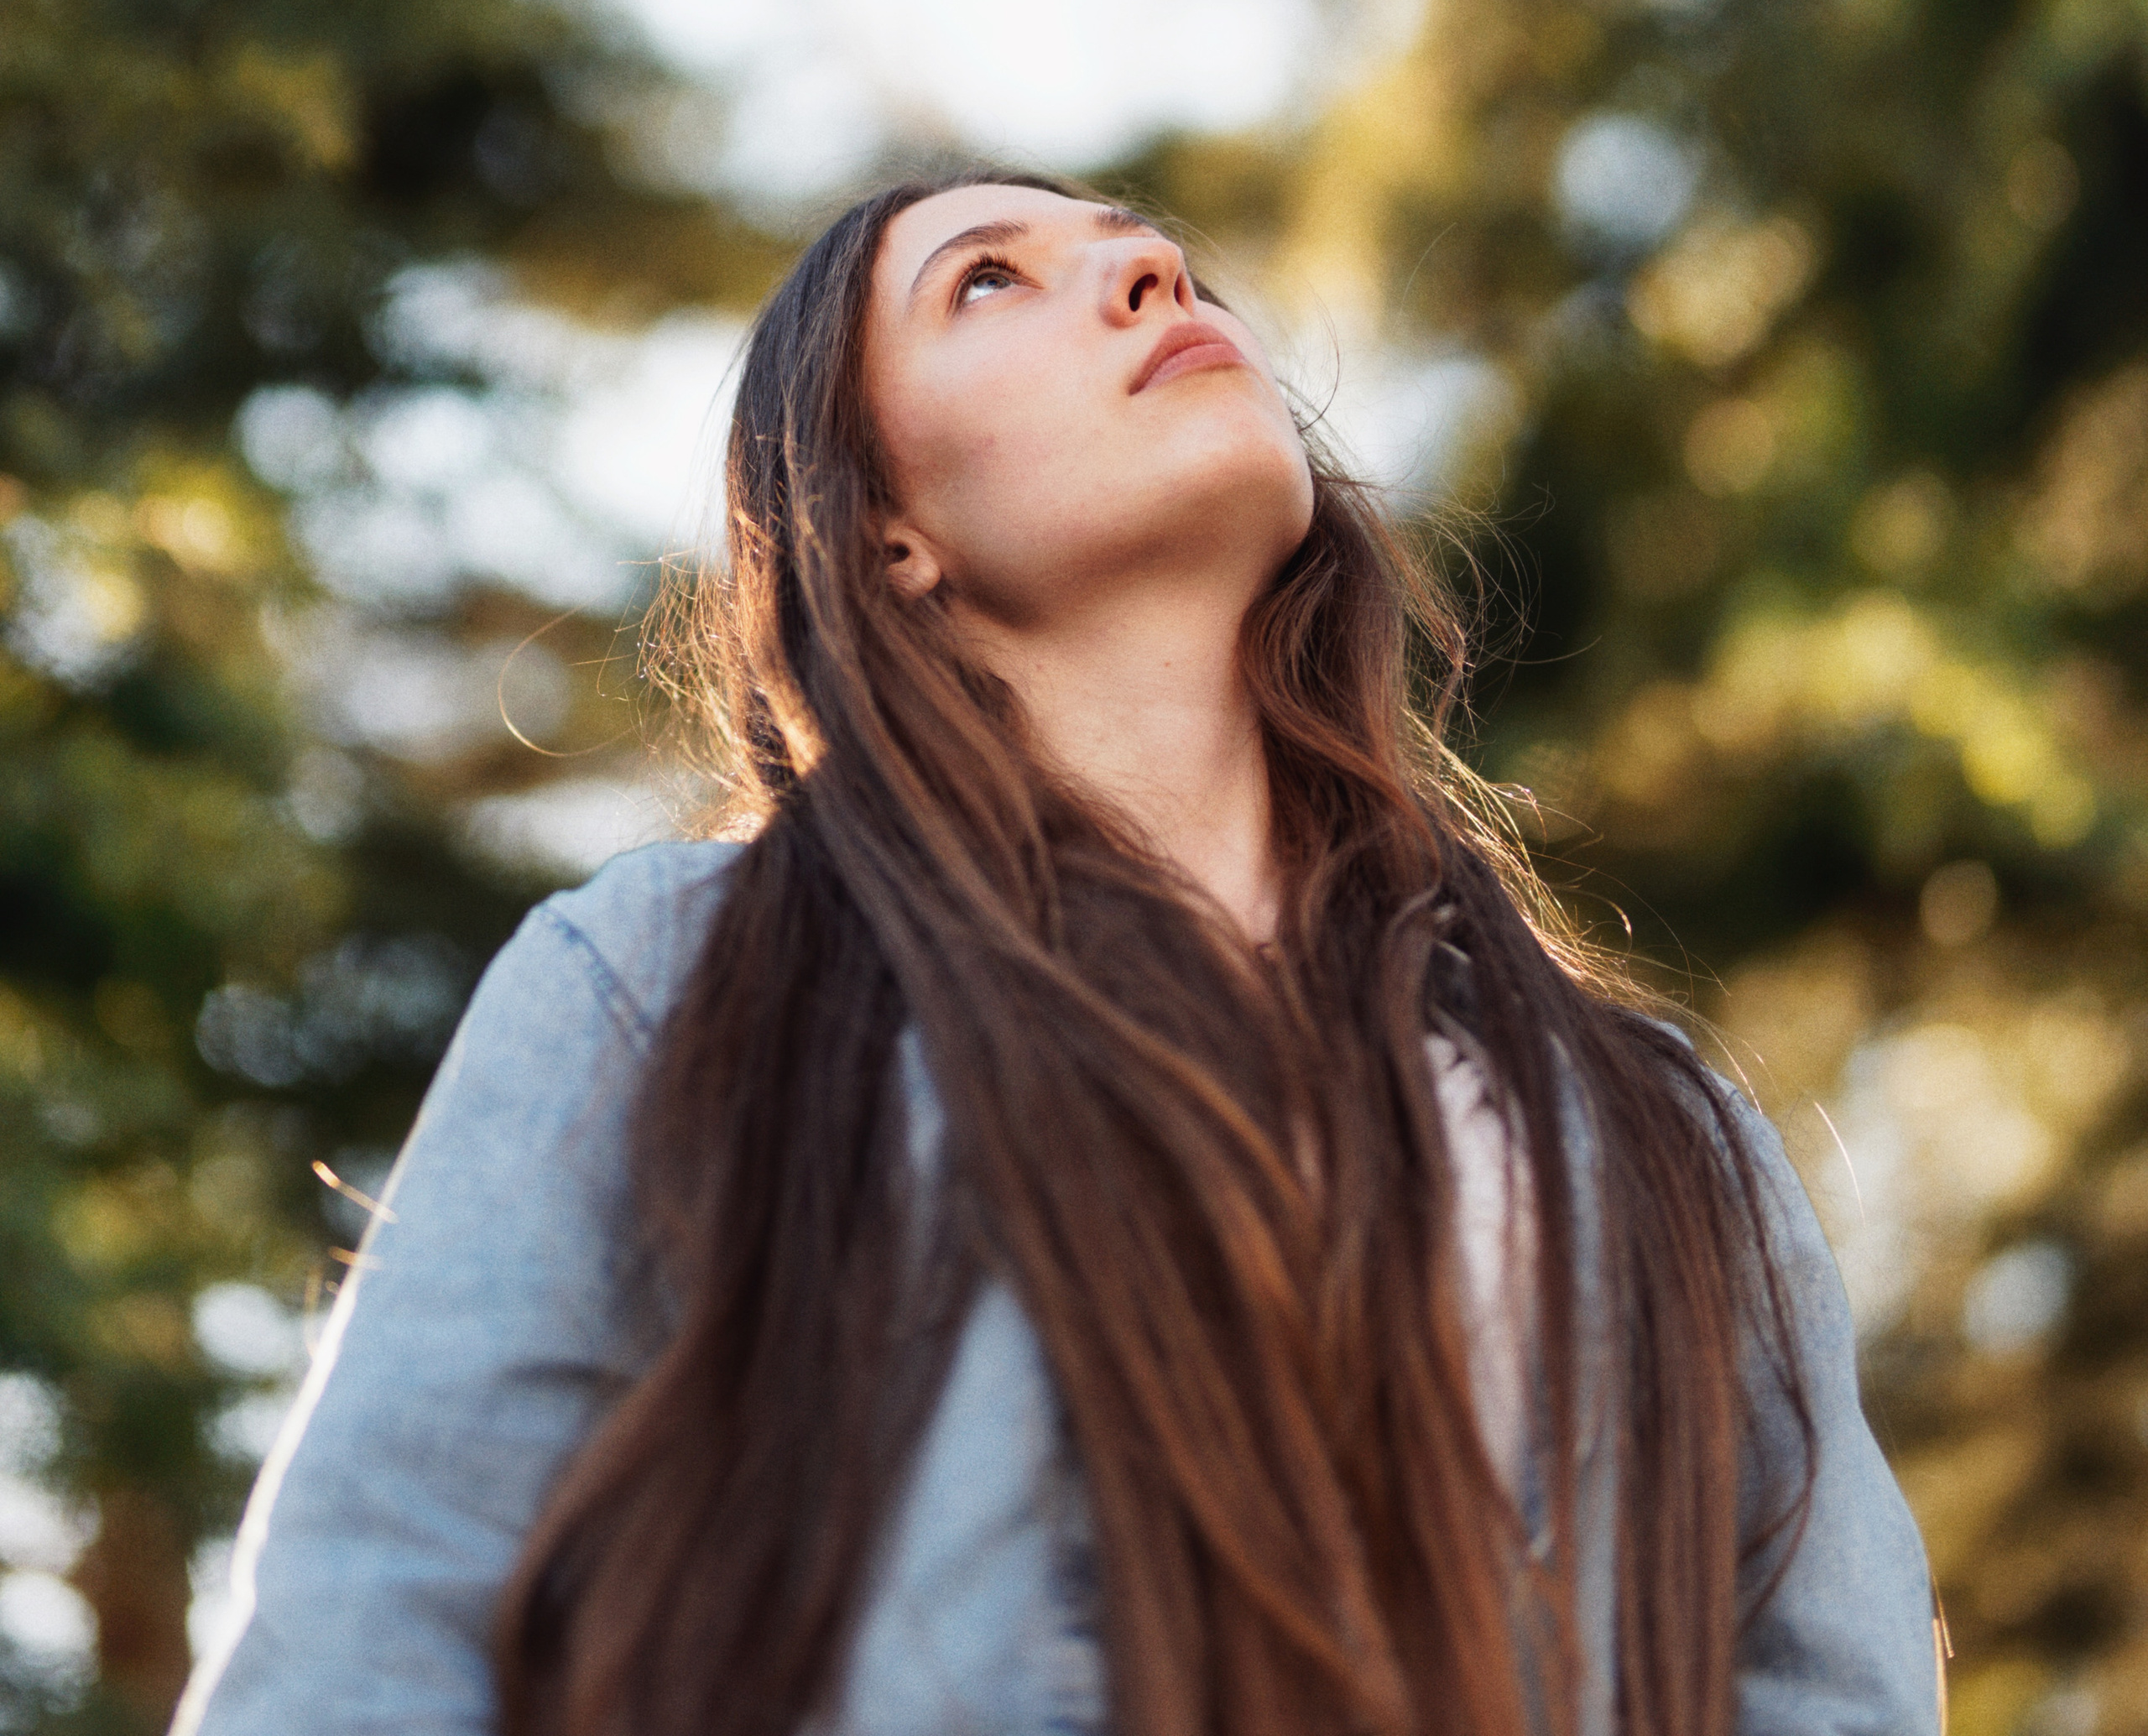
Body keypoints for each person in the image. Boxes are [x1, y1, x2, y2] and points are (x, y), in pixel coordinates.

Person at [175, 172, 1942, 1736]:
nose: (1152, 273)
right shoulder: (673, 978)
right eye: (989, 280)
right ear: (883, 533)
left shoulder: (1654, 1129)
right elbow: (370, 1633)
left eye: (1153, 255)